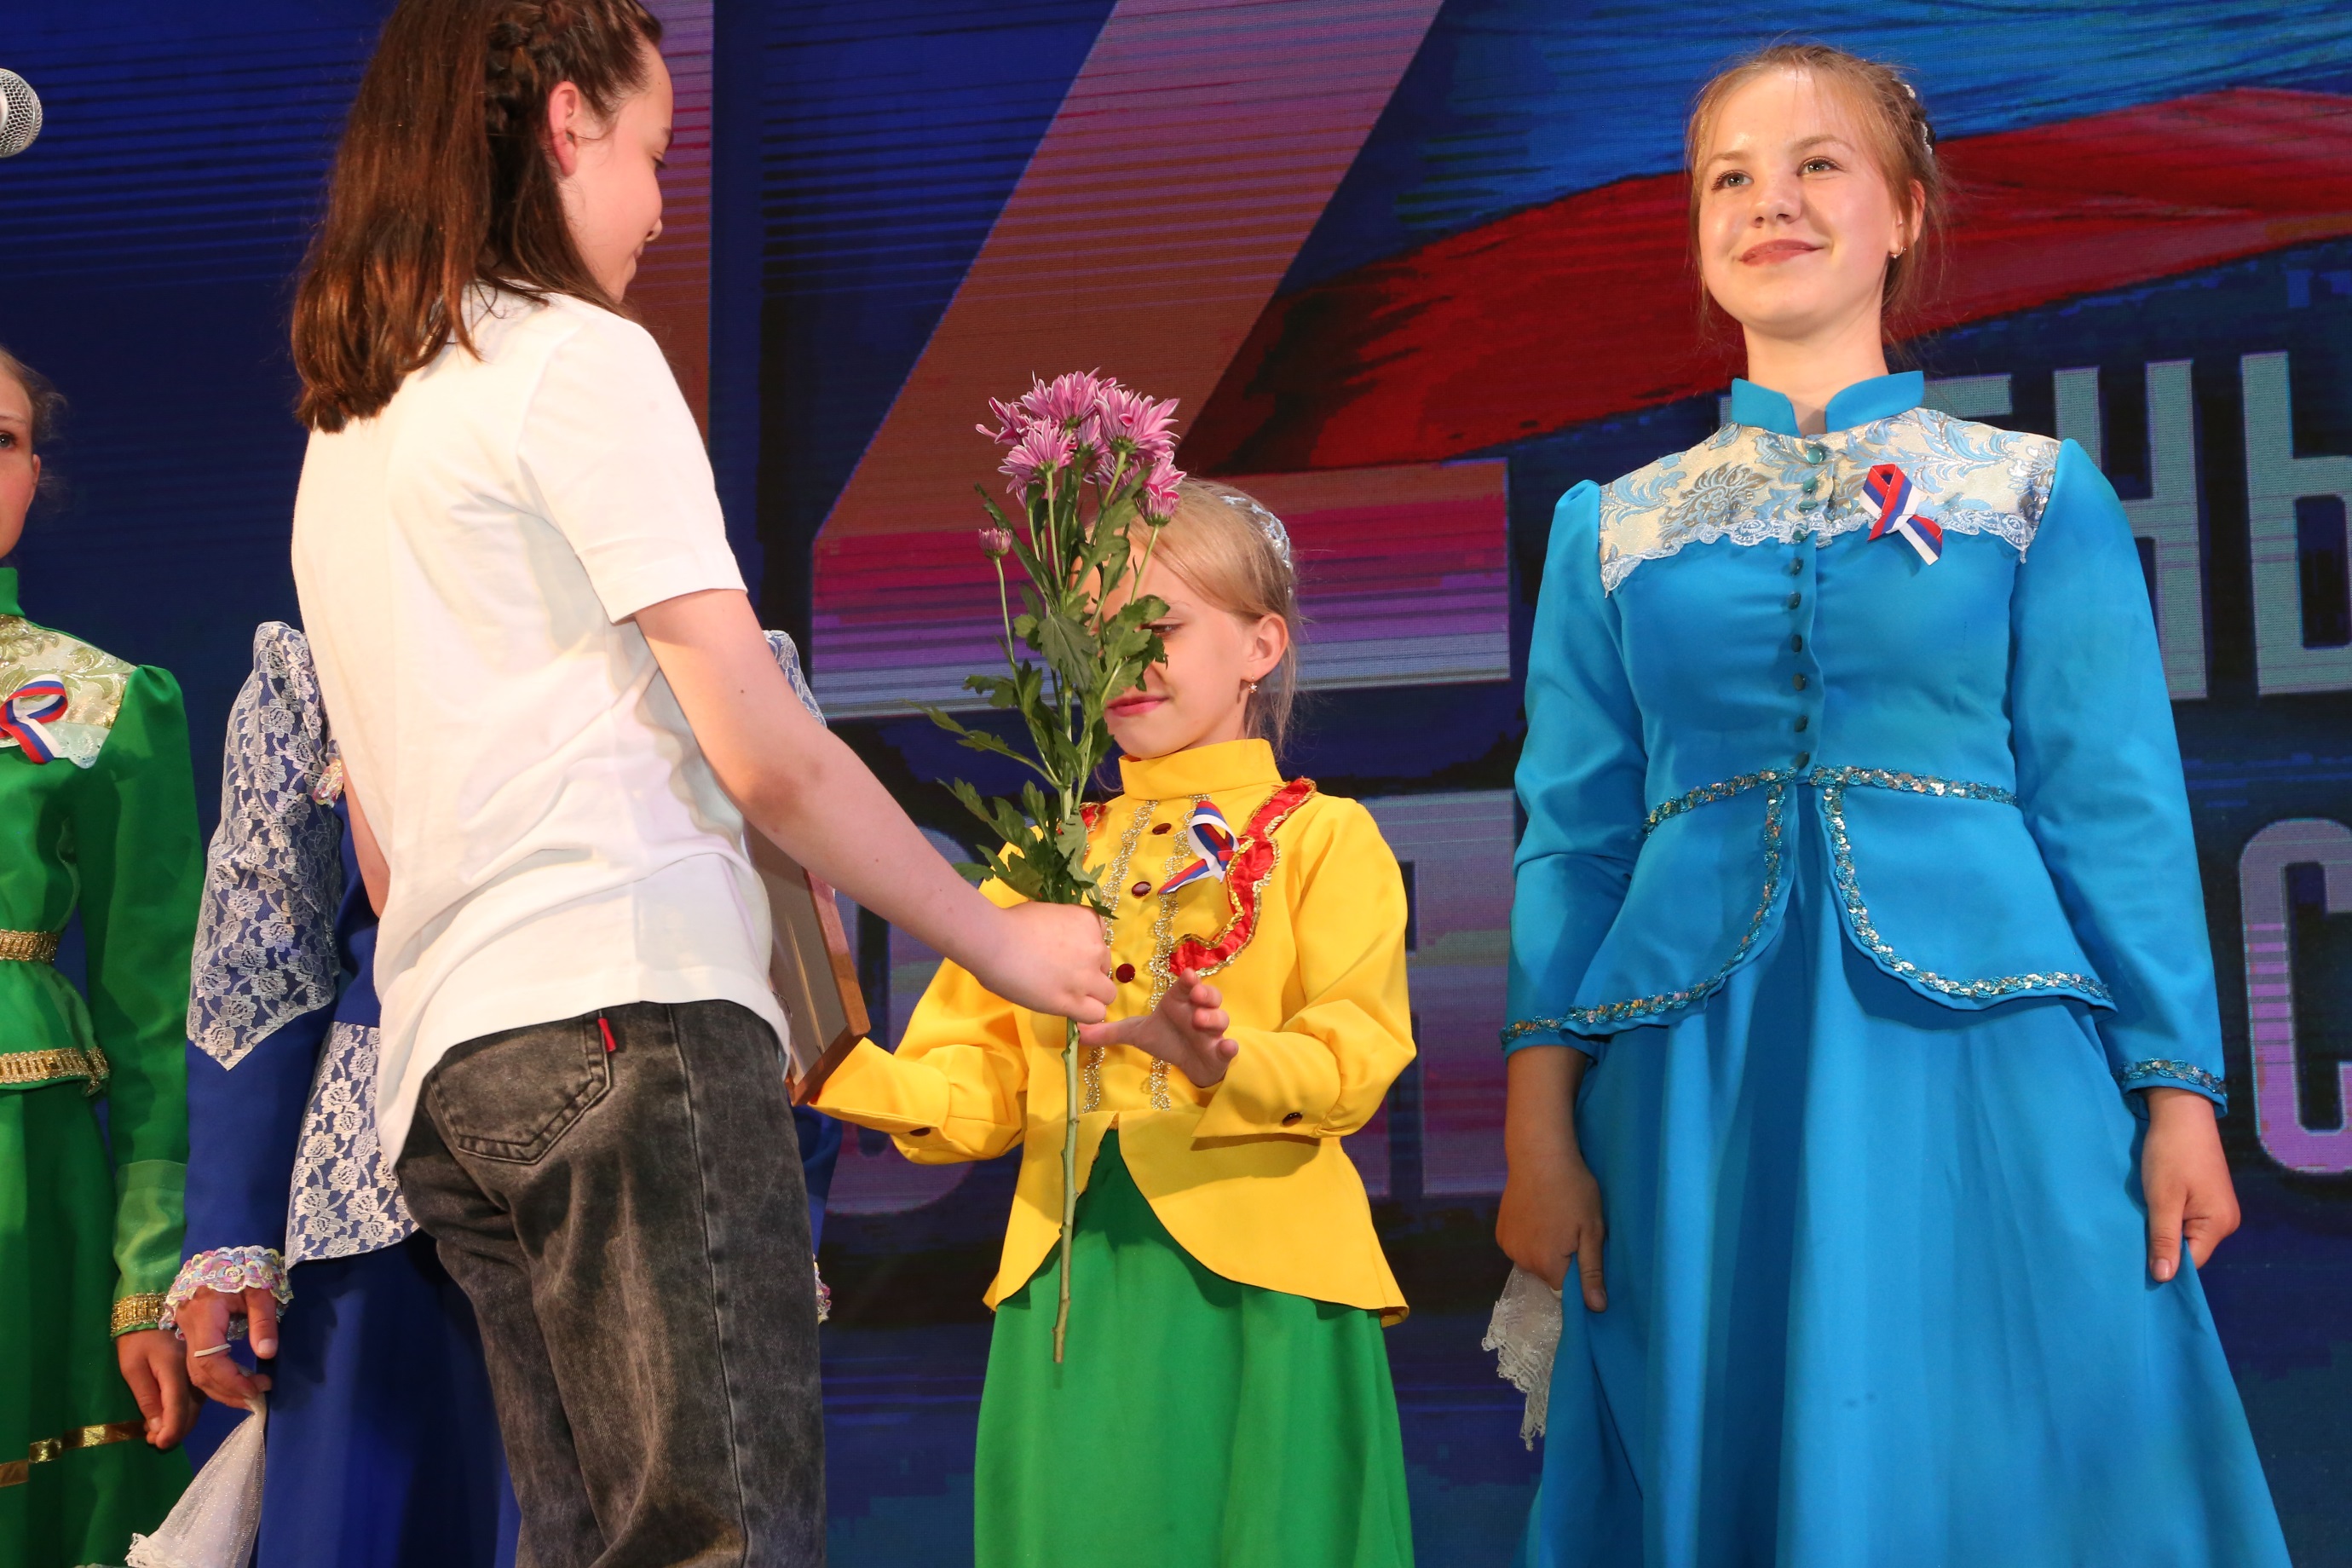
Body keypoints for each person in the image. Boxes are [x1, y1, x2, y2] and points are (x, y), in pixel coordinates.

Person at [283, 3, 1113, 1564]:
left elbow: (382, 860)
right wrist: (999, 940)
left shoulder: (353, 430)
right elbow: (765, 750)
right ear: (565, 123)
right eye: (657, 154)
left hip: (453, 1074)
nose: (665, 208)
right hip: (625, 1017)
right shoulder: (573, 361)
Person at [1496, 44, 2289, 1565]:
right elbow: (1573, 842)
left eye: (1818, 167)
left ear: (1906, 212)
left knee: (2017, 1446)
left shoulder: (2030, 496)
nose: (1770, 203)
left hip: (1986, 1062)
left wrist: (2180, 1096)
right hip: (1699, 1072)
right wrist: (1542, 1131)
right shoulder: (1615, 530)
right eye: (1730, 178)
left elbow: (2111, 810)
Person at [810, 480, 1419, 1568]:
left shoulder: (1326, 838)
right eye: (1095, 634)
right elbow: (976, 1096)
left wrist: (1222, 1059)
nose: (1122, 660)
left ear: (1261, 644)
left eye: (1160, 625)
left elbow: (1355, 1055)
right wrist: (823, 1063)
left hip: (1266, 1290)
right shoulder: (1042, 859)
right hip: (1071, 1286)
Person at [169, 621, 519, 1568]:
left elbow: (772, 960)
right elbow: (262, 947)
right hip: (381, 1190)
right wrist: (230, 1227)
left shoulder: (696, 640)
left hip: (634, 1151)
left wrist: (773, 1206)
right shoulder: (332, 655)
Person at [0, 343, 202, 1565]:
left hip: (34, 1204)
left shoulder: (101, 705)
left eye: (4, 440)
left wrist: (149, 1281)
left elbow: (154, 1017)